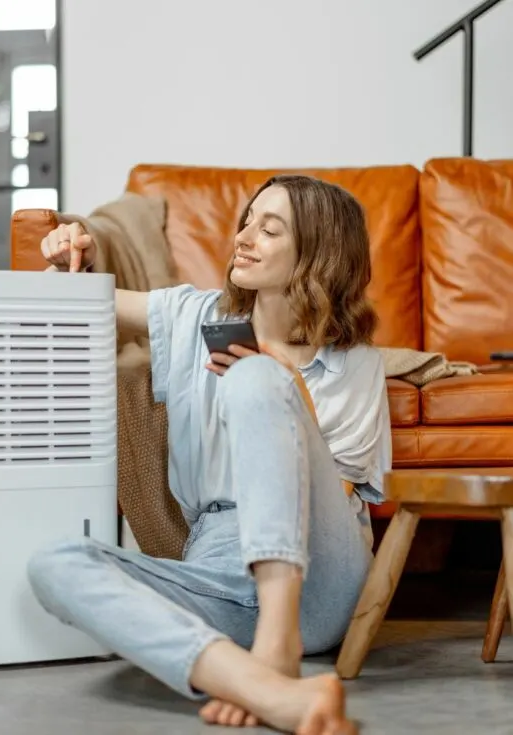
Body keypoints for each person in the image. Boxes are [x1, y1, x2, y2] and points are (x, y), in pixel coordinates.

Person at [28, 174, 391, 735]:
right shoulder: (192, 317)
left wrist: (277, 377)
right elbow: (70, 302)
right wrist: (78, 248)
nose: (244, 237)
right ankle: (262, 688)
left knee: (254, 380)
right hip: (216, 569)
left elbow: (336, 492)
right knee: (55, 565)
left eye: (270, 230)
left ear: (319, 254)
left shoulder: (356, 363)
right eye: (247, 221)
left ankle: (276, 644)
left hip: (319, 574)